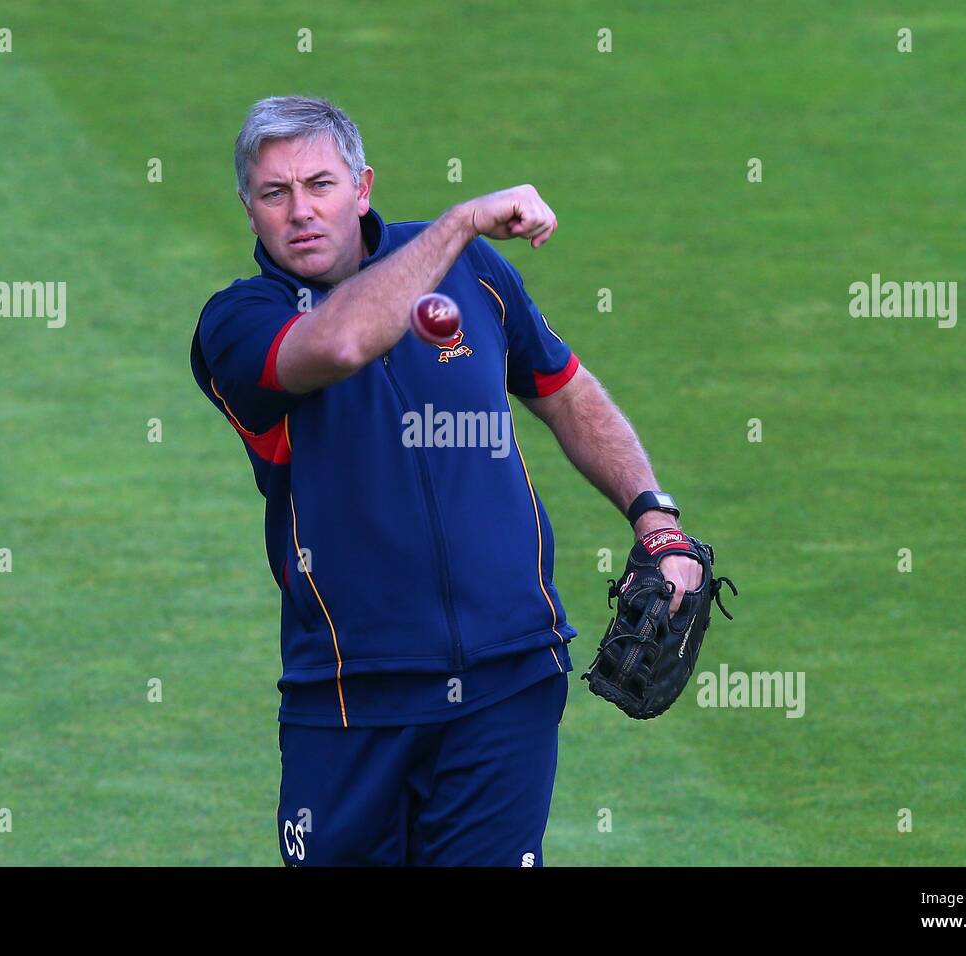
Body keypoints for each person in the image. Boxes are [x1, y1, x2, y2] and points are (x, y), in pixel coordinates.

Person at [190, 95, 702, 866]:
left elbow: (563, 388)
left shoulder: (472, 275)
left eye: (320, 185)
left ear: (362, 187)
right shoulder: (237, 323)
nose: (300, 210)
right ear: (249, 209)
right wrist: (459, 222)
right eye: (275, 193)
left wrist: (653, 519)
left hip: (508, 676)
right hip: (352, 698)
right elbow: (342, 342)